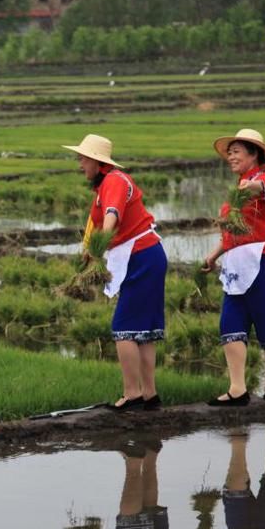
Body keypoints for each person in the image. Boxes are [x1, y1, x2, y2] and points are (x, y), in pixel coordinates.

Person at [62, 134, 167, 411]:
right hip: (143, 255)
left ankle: (132, 394)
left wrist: (99, 245)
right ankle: (149, 395)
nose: (80, 164)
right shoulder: (106, 185)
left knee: (123, 328)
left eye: (83, 159)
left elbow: (112, 216)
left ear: (97, 162)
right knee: (141, 330)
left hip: (142, 256)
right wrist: (87, 257)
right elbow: (98, 225)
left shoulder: (115, 181)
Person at [202, 129, 265, 405]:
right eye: (229, 153)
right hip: (236, 263)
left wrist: (248, 188)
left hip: (263, 260)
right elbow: (231, 233)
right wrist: (213, 256)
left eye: (236, 151)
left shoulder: (264, 179)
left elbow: (262, 189)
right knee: (230, 323)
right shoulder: (236, 189)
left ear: (254, 154)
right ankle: (237, 387)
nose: (230, 157)